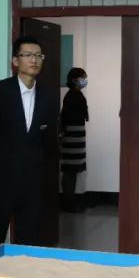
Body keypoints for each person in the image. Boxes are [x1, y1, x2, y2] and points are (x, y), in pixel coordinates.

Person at [0, 36, 60, 250]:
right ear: (15, 61)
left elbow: (49, 141)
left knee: (29, 241)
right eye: (28, 55)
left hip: (33, 183)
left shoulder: (49, 96)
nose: (34, 60)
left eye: (39, 55)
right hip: (0, 181)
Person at [60, 67, 88, 213]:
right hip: (71, 137)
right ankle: (68, 202)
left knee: (74, 170)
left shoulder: (78, 94)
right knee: (69, 171)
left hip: (77, 136)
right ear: (74, 79)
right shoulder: (71, 95)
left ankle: (70, 202)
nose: (84, 80)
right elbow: (65, 117)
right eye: (82, 77)